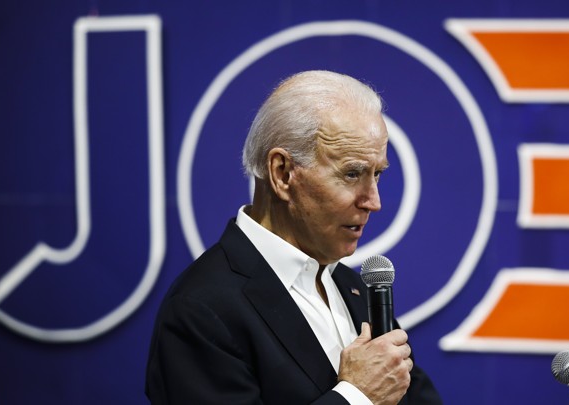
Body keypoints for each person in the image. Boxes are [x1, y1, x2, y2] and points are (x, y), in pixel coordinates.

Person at [146, 70, 441, 404]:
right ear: (282, 173)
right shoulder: (201, 309)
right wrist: (355, 396)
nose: (373, 201)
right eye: (352, 173)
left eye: (377, 175)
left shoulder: (355, 289)